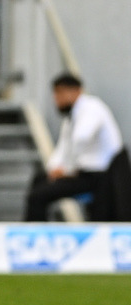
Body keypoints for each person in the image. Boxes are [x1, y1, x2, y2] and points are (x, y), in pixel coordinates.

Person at [25, 72, 123, 221]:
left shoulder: (92, 108)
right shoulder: (70, 119)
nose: (56, 99)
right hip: (80, 173)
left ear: (76, 91)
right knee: (40, 179)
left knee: (38, 196)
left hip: (101, 176)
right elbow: (63, 149)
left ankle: (35, 237)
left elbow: (81, 140)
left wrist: (66, 170)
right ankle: (33, 229)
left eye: (60, 93)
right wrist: (53, 170)